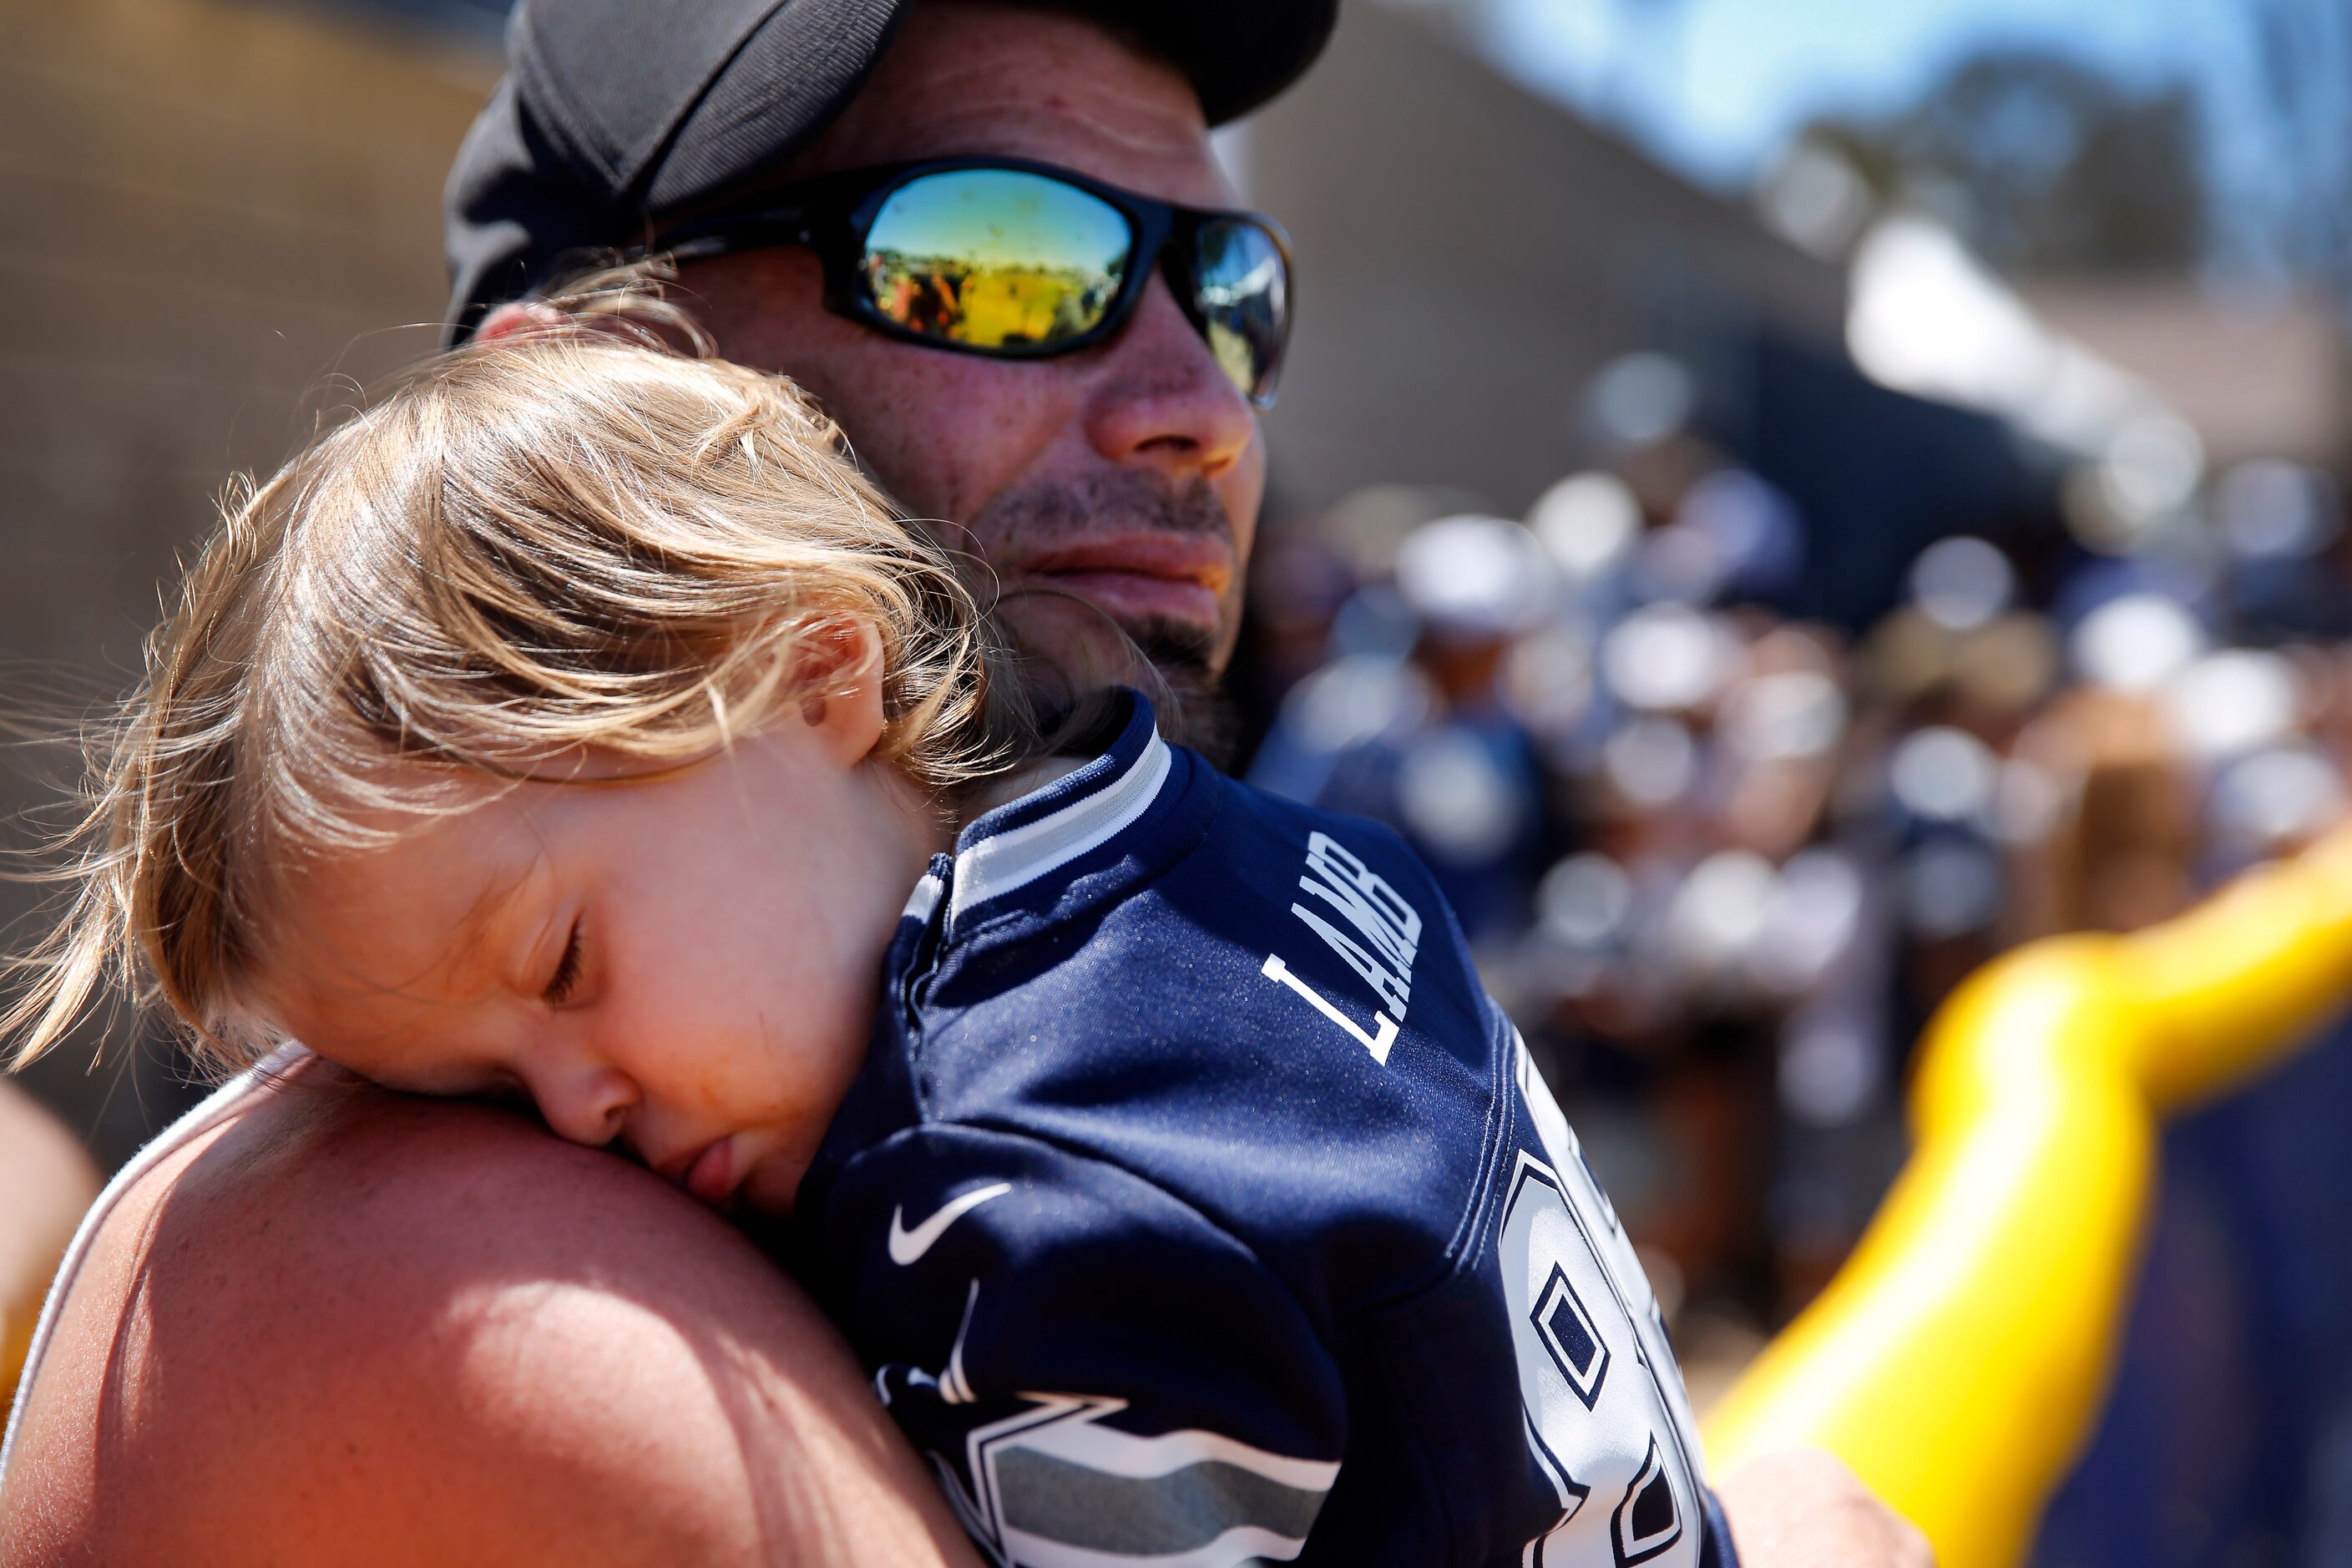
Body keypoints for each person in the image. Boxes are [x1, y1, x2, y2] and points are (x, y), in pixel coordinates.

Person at [0, 4, 1927, 1563]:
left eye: (1226, 285)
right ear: (607, 397)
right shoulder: (441, 1270)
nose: (1195, 402)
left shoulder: (1057, 1009)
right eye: (997, 267)